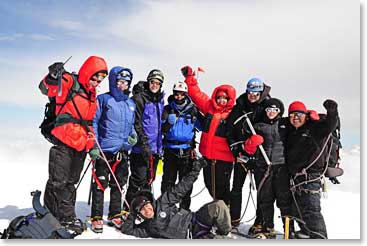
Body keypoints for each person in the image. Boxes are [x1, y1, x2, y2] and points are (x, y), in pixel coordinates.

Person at [39, 56, 108, 234]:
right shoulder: (70, 81)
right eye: (94, 77)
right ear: (87, 72)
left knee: (71, 183)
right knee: (58, 182)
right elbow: (46, 89)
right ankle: (50, 216)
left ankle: (66, 216)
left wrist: (92, 146)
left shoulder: (92, 96)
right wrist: (53, 75)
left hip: (81, 145)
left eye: (100, 79)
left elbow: (90, 123)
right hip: (63, 142)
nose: (96, 82)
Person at [120, 158, 233, 239]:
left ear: (150, 202)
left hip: (196, 220)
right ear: (140, 215)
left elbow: (181, 188)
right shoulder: (148, 228)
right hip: (192, 237)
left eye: (147, 206)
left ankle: (225, 231)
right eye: (142, 210)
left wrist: (195, 171)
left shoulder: (163, 201)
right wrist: (132, 213)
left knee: (219, 205)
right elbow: (127, 230)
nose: (147, 210)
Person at [90, 66, 138, 233]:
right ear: (113, 81)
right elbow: (94, 122)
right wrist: (94, 145)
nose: (123, 85)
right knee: (100, 183)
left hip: (123, 150)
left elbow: (131, 126)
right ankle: (96, 217)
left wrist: (133, 137)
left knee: (119, 184)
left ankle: (114, 214)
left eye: (126, 82)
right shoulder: (103, 99)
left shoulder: (130, 103)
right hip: (104, 149)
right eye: (120, 81)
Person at [181, 66, 236, 205]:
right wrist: (189, 78)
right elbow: (196, 94)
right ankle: (220, 212)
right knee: (210, 185)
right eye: (219, 97)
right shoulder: (209, 107)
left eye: (225, 98)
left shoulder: (233, 113)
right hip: (208, 156)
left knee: (222, 189)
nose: (221, 100)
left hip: (224, 159)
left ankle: (227, 215)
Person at [286, 99, 339, 239]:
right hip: (296, 179)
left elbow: (330, 126)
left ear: (305, 115)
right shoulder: (292, 131)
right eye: (292, 115)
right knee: (296, 210)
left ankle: (319, 237)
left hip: (311, 178)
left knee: (311, 211)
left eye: (299, 114)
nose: (295, 118)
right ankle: (306, 232)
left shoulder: (314, 128)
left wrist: (332, 111)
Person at [241, 98, 293, 238]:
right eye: (269, 110)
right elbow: (247, 149)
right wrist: (251, 143)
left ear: (279, 111)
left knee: (284, 200)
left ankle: (289, 230)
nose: (271, 113)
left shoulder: (285, 124)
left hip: (281, 168)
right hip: (263, 168)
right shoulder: (258, 126)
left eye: (275, 110)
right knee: (265, 199)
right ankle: (268, 227)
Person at [225, 77, 271, 232]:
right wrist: (237, 149)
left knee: (262, 190)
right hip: (242, 154)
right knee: (236, 187)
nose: (252, 95)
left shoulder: (267, 106)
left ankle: (260, 221)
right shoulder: (240, 106)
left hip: (260, 156)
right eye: (250, 92)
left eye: (255, 92)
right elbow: (230, 130)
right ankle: (234, 219)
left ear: (261, 92)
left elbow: (272, 129)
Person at [125, 69, 165, 208]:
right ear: (148, 82)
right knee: (138, 179)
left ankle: (143, 208)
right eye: (152, 82)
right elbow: (137, 123)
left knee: (149, 180)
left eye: (158, 83)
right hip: (140, 149)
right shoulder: (140, 98)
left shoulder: (159, 101)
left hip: (155, 149)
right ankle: (128, 207)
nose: (155, 85)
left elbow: (158, 127)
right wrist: (144, 145)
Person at [161, 81, 201, 210]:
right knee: (168, 181)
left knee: (185, 183)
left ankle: (184, 210)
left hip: (186, 150)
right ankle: (165, 209)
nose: (179, 97)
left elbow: (203, 126)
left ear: (185, 94)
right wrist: (168, 124)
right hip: (170, 150)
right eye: (176, 94)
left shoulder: (193, 109)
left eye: (181, 94)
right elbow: (160, 129)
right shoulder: (167, 109)